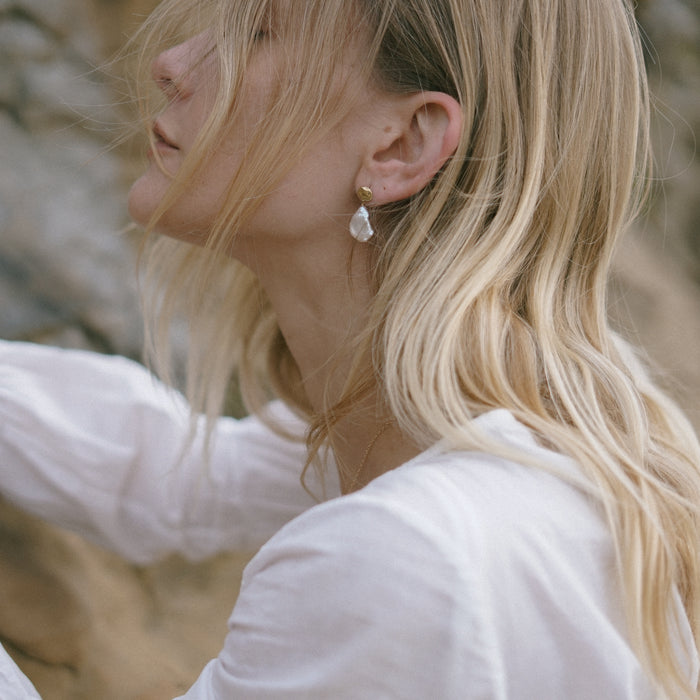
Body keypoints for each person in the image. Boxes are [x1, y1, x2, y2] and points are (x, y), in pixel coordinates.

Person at [1, 0, 699, 697]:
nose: (172, 64)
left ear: (401, 146)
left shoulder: (407, 555)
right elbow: (186, 475)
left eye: (259, 34)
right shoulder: (537, 429)